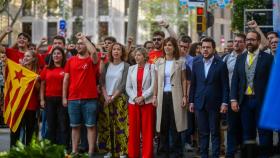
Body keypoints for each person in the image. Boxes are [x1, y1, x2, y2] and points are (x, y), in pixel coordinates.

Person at [231, 30, 274, 158]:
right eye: (248, 40)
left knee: (264, 133)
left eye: (252, 40)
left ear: (258, 41)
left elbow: (273, 82)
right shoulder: (241, 58)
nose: (249, 42)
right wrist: (233, 99)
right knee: (247, 134)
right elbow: (235, 80)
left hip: (262, 102)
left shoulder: (268, 58)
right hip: (244, 102)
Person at [189, 37, 229, 158]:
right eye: (203, 47)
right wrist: (191, 101)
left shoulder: (221, 64)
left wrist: (224, 103)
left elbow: (225, 86)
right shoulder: (196, 64)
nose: (205, 50)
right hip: (199, 103)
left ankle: (216, 155)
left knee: (215, 132)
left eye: (208, 47)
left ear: (213, 49)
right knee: (202, 133)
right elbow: (193, 84)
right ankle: (204, 155)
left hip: (215, 104)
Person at [62, 32, 98, 157]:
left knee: (91, 126)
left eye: (81, 44)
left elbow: (93, 52)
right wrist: (64, 97)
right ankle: (75, 151)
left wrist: (84, 38)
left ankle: (91, 153)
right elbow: (66, 79)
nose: (78, 45)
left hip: (90, 99)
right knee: (75, 126)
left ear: (87, 46)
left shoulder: (91, 60)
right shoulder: (70, 61)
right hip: (73, 99)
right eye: (77, 44)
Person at [153, 37, 188, 158]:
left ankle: (176, 153)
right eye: (165, 45)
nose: (167, 47)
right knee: (162, 125)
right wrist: (154, 96)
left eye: (170, 45)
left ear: (174, 48)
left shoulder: (181, 61)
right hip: (162, 97)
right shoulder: (158, 62)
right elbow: (156, 81)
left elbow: (184, 79)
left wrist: (185, 96)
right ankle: (163, 152)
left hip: (176, 96)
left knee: (175, 125)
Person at [98, 42, 129, 157]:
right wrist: (106, 96)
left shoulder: (126, 65)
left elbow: (123, 84)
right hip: (106, 98)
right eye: (114, 49)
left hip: (119, 98)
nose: (116, 51)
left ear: (122, 52)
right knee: (106, 125)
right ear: (110, 52)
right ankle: (109, 151)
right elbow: (101, 81)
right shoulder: (106, 65)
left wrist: (113, 97)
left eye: (118, 49)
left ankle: (122, 151)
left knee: (120, 126)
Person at [126, 47, 155, 158]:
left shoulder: (151, 67)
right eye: (135, 55)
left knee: (147, 131)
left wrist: (143, 97)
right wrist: (135, 98)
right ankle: (133, 154)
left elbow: (153, 86)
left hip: (147, 103)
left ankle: (147, 155)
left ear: (145, 56)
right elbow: (128, 87)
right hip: (133, 103)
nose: (137, 57)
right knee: (133, 130)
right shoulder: (131, 68)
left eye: (139, 55)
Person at [40, 46, 69, 146]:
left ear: (62, 56)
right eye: (54, 54)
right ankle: (51, 147)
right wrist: (42, 99)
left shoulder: (66, 68)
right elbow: (42, 85)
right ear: (51, 56)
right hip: (49, 100)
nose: (56, 55)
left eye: (58, 53)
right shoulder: (47, 68)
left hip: (63, 100)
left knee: (63, 124)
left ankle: (63, 147)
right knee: (51, 124)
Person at [223, 33, 246, 158]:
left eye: (240, 41)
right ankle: (230, 152)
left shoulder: (249, 57)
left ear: (244, 43)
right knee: (231, 126)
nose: (236, 43)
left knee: (245, 126)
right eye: (235, 41)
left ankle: (243, 150)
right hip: (231, 97)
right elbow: (223, 79)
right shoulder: (227, 58)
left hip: (245, 97)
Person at [10, 50, 40, 147]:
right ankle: (13, 151)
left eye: (28, 56)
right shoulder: (18, 69)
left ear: (34, 59)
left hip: (31, 105)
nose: (25, 58)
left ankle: (28, 152)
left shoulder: (37, 71)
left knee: (30, 131)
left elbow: (39, 88)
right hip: (18, 105)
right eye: (25, 56)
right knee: (15, 130)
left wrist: (35, 81)